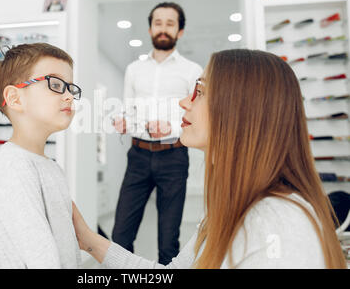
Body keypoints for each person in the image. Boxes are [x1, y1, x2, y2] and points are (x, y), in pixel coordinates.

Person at [73, 49, 347, 269]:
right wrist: (88, 241)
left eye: (200, 92)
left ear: (240, 111)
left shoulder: (277, 222)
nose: (184, 102)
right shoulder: (226, 210)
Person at [112, 2, 203, 265]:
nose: (163, 29)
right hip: (138, 156)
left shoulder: (192, 70)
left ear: (180, 31)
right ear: (150, 28)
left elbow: (196, 116)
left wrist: (172, 129)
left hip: (173, 157)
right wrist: (124, 121)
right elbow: (128, 110)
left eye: (170, 24)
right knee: (120, 235)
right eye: (158, 23)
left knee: (168, 241)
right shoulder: (134, 69)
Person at [0, 43, 82, 268]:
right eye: (56, 84)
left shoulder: (52, 168)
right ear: (15, 98)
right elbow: (42, 258)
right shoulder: (9, 166)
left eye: (70, 88)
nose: (69, 96)